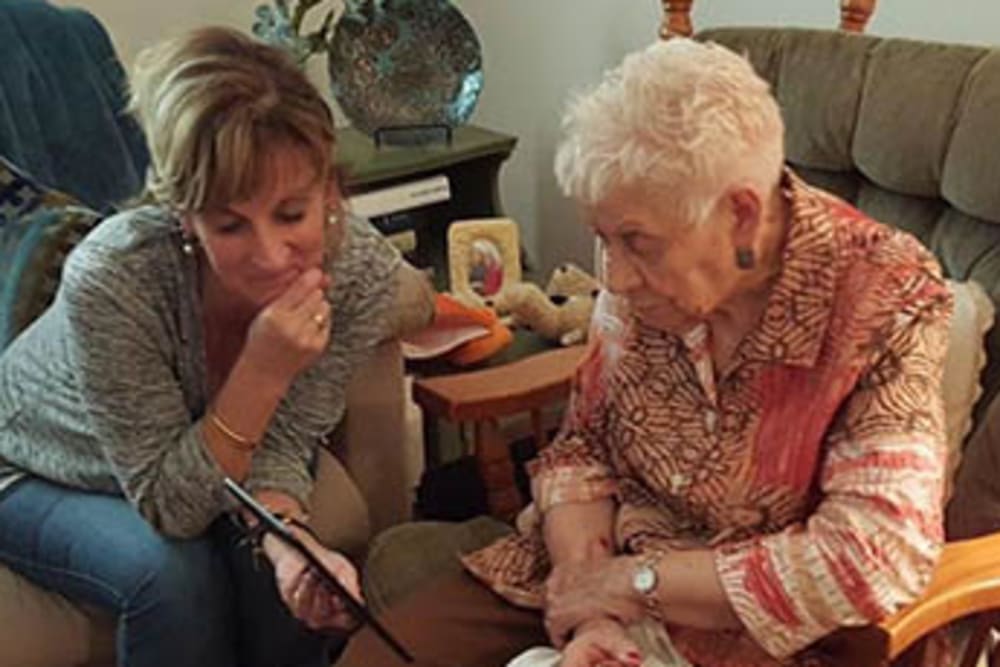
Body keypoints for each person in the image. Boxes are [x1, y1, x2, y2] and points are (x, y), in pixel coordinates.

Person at [336, 37, 953, 667]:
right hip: (593, 565)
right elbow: (583, 445)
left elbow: (877, 552)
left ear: (741, 214)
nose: (618, 279)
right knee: (372, 659)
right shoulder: (647, 278)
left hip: (758, 631)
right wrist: (589, 603)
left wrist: (637, 586)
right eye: (605, 239)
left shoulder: (886, 294)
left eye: (637, 242)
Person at [0, 26, 430, 667]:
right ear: (185, 218)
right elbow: (170, 503)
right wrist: (264, 366)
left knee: (288, 581)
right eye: (229, 224)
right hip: (39, 466)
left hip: (193, 461)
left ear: (331, 192)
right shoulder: (115, 275)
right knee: (171, 575)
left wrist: (289, 547)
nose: (268, 256)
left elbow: (282, 448)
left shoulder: (358, 273)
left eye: (291, 214)